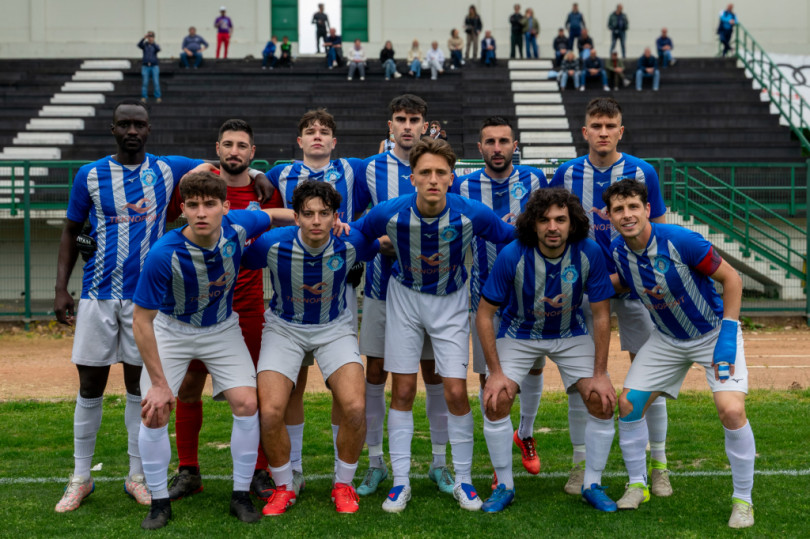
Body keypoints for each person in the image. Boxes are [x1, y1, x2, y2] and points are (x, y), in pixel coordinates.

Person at [53, 99, 212, 514]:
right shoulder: (90, 175)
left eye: (138, 124)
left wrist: (257, 176)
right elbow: (70, 230)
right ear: (113, 129)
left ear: (149, 129)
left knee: (139, 388)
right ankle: (81, 477)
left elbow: (214, 167)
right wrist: (61, 288)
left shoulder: (168, 169)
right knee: (90, 386)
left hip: (147, 302)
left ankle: (136, 476)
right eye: (124, 124)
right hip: (97, 295)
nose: (132, 131)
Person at [353, 138, 516, 513]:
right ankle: (400, 483)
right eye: (424, 172)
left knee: (455, 392)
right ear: (412, 177)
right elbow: (359, 235)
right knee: (403, 390)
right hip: (404, 300)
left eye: (441, 172)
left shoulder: (472, 213)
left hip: (451, 302)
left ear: (451, 178)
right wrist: (374, 247)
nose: (432, 179)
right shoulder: (390, 212)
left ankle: (463, 480)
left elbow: (507, 238)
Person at [132, 172, 293, 529]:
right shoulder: (163, 254)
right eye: (193, 205)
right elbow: (141, 321)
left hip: (221, 328)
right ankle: (158, 503)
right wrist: (158, 384)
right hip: (173, 330)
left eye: (209, 204)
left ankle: (240, 495)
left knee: (247, 403)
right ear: (183, 210)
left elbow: (273, 215)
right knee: (154, 411)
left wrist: (319, 221)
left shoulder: (239, 226)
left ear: (226, 206)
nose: (201, 212)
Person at [603, 179, 755, 529]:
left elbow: (732, 279)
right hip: (667, 340)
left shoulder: (682, 240)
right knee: (628, 404)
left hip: (713, 334)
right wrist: (581, 288)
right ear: (609, 216)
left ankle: (743, 501)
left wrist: (728, 333)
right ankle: (638, 484)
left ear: (647, 209)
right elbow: (626, 281)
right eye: (618, 209)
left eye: (633, 206)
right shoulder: (618, 250)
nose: (627, 215)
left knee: (732, 410)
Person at [550, 97, 670, 499]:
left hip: (636, 290)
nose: (603, 133)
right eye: (596, 126)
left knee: (649, 376)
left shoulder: (643, 171)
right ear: (585, 132)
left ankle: (659, 465)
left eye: (610, 126)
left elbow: (658, 229)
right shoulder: (567, 173)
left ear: (621, 131)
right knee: (580, 380)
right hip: (585, 289)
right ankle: (580, 462)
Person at [162, 120, 283, 505]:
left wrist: (261, 176)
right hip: (197, 305)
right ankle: (188, 470)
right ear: (217, 149)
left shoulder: (265, 190)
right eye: (228, 144)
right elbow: (171, 216)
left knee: (252, 391)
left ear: (252, 152)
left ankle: (258, 470)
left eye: (242, 145)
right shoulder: (200, 185)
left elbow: (279, 227)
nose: (234, 151)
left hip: (246, 303)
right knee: (188, 386)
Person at [242, 181, 379, 515]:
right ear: (296, 217)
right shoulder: (272, 243)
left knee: (355, 408)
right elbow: (238, 258)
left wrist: (355, 228)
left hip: (334, 327)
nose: (316, 221)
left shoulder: (352, 241)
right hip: (284, 328)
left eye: (324, 213)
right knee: (270, 411)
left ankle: (343, 484)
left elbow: (382, 245)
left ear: (335, 216)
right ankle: (285, 486)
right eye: (308, 214)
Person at [477, 188, 618, 513]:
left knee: (602, 400)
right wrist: (494, 373)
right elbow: (484, 314)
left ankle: (592, 483)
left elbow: (600, 314)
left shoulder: (589, 252)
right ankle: (505, 485)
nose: (552, 227)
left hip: (570, 332)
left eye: (560, 219)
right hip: (520, 333)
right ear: (533, 224)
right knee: (496, 400)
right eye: (544, 220)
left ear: (572, 223)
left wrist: (600, 373)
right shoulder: (513, 254)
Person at [354, 94, 456, 500]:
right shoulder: (369, 169)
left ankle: (439, 462)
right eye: (401, 119)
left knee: (435, 375)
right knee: (376, 373)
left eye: (415, 119)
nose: (408, 126)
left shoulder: (439, 168)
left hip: (432, 290)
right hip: (382, 290)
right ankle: (376, 462)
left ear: (425, 125)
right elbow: (358, 226)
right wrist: (378, 244)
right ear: (390, 125)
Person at [266, 109, 367, 488]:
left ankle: (344, 475)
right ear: (300, 141)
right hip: (293, 275)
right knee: (292, 381)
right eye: (311, 131)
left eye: (325, 131)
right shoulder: (280, 173)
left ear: (334, 141)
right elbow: (263, 200)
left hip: (339, 279)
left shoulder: (353, 168)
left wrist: (351, 229)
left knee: (345, 386)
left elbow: (385, 187)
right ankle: (293, 468)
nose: (318, 136)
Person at [452, 117, 548, 487]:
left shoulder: (536, 180)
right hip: (484, 295)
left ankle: (525, 433)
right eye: (489, 142)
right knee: (489, 376)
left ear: (515, 145)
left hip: (530, 294)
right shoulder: (464, 185)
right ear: (479, 148)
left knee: (534, 369)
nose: (497, 148)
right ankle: (499, 462)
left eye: (503, 141)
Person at [138, 31, 161, 104]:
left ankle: (158, 96)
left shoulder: (155, 45)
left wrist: (153, 43)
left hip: (154, 66)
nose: (150, 38)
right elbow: (139, 45)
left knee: (156, 82)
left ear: (154, 38)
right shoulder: (144, 45)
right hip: (145, 66)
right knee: (145, 82)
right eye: (149, 37)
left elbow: (158, 49)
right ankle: (144, 96)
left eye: (152, 37)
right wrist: (143, 38)